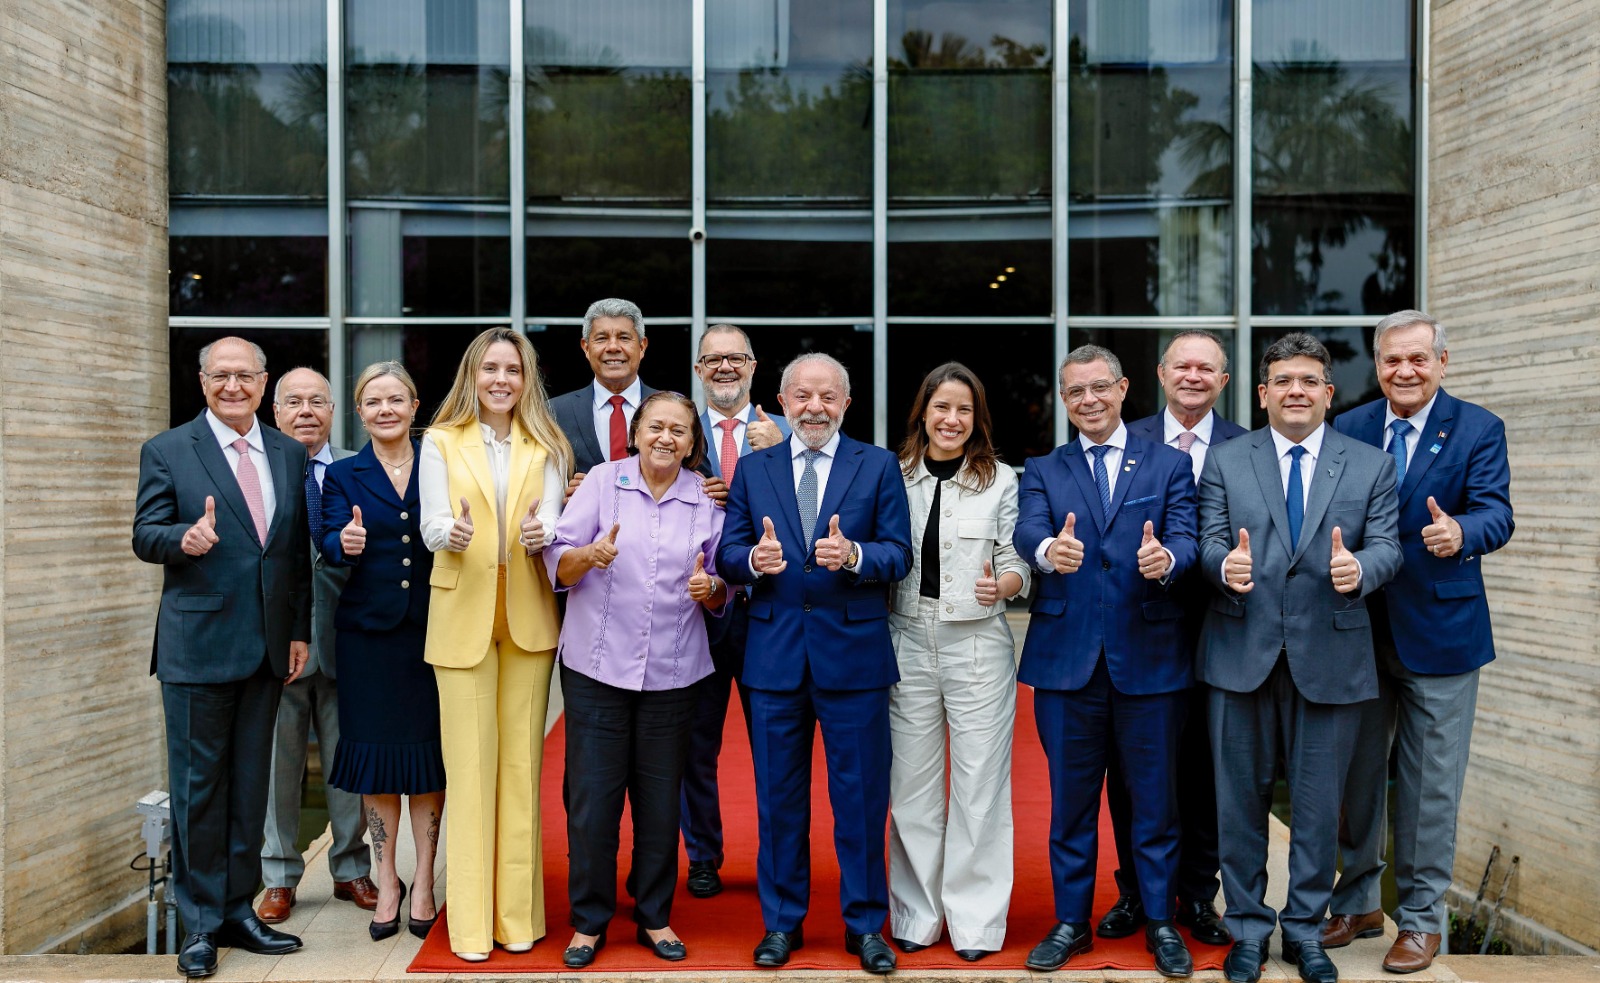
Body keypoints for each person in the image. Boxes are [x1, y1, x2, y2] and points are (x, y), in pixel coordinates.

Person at [1196, 332, 1402, 983]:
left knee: (1316, 809)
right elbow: (1206, 539)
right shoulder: (1226, 460)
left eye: (1309, 380)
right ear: (1262, 393)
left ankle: (1306, 931)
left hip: (1331, 657)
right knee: (1238, 807)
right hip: (1239, 656)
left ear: (1328, 393)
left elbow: (1389, 547)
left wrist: (1360, 568)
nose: (1296, 391)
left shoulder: (1370, 465)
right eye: (1283, 380)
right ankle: (1248, 929)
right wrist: (1221, 565)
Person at [1325, 311, 1514, 974]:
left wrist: (1462, 532)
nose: (1404, 370)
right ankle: (1356, 902)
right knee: (1356, 777)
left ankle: (1421, 918)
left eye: (1417, 358)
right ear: (1377, 364)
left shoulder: (1478, 428)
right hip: (1357, 631)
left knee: (1430, 787)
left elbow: (1497, 512)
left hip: (1442, 635)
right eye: (1392, 360)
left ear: (1442, 362)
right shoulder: (1348, 426)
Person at [718, 353, 913, 975]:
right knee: (778, 801)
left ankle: (866, 926)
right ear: (782, 402)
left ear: (846, 403)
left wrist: (855, 555)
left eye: (828, 396)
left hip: (854, 659)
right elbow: (727, 551)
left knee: (861, 800)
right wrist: (753, 562)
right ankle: (782, 923)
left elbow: (899, 554)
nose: (815, 408)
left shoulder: (877, 465)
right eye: (802, 396)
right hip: (774, 658)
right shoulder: (755, 469)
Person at [1013, 345, 1199, 978]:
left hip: (1151, 659)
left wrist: (1167, 560)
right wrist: (1047, 550)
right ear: (1064, 400)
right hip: (1067, 664)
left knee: (1155, 805)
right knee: (1070, 806)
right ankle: (1072, 922)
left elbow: (1187, 535)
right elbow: (1027, 529)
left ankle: (1161, 921)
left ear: (1123, 389)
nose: (1088, 400)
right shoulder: (1043, 467)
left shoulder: (1170, 463)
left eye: (1099, 387)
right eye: (1075, 392)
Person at [132, 337, 312, 978]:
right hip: (198, 648)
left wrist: (297, 630)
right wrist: (182, 537)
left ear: (263, 383)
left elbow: (292, 553)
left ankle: (238, 910)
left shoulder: (288, 452)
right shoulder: (168, 449)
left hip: (266, 648)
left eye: (244, 376)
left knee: (248, 787)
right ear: (203, 380)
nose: (233, 386)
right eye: (220, 375)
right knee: (198, 791)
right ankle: (201, 925)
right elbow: (144, 534)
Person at [546, 391, 731, 968]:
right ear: (636, 432)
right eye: (655, 426)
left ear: (693, 444)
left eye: (679, 430)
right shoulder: (602, 482)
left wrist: (712, 590)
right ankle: (589, 921)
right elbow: (556, 558)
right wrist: (589, 556)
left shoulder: (704, 499)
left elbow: (723, 583)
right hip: (597, 667)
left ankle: (653, 914)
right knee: (593, 800)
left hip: (674, 671)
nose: (665, 438)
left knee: (658, 801)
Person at [420, 328, 570, 961]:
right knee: (470, 773)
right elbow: (431, 521)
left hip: (528, 614)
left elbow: (554, 521)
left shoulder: (548, 444)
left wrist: (543, 533)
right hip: (462, 614)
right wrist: (449, 534)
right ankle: (471, 925)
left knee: (520, 771)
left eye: (512, 369)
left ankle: (517, 917)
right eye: (490, 369)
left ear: (526, 378)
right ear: (472, 376)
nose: (501, 379)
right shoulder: (440, 440)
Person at [1101, 331, 1245, 948]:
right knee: (1130, 771)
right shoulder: (1122, 438)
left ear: (1224, 381)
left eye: (1206, 368)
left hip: (1222, 630)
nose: (1193, 376)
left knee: (1204, 767)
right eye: (1181, 366)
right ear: (1160, 374)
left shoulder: (1248, 446)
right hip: (1137, 634)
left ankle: (1198, 893)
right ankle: (1135, 890)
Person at [886, 363, 1030, 962]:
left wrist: (1007, 585)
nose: (952, 419)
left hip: (977, 644)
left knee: (979, 787)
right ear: (922, 412)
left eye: (964, 410)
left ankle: (975, 924)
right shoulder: (893, 474)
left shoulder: (1000, 480)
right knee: (912, 787)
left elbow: (1016, 557)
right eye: (941, 407)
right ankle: (916, 916)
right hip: (906, 639)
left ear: (978, 418)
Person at [320, 362, 446, 941]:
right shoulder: (343, 474)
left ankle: (423, 881)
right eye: (373, 401)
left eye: (396, 399)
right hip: (367, 639)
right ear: (360, 412)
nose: (385, 409)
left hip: (432, 632)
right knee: (376, 762)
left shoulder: (440, 462)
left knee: (426, 760)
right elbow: (326, 535)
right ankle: (386, 879)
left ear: (415, 406)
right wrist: (341, 542)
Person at [258, 368, 378, 925]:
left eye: (317, 401)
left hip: (347, 640)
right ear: (275, 412)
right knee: (278, 769)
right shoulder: (258, 471)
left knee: (346, 764)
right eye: (293, 402)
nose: (305, 411)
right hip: (276, 645)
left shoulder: (358, 469)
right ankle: (279, 877)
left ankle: (351, 868)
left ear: (334, 410)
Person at [680, 323, 789, 899]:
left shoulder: (788, 433)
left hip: (768, 613)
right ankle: (703, 854)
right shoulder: (676, 430)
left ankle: (778, 858)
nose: (725, 367)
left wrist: (778, 462)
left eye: (736, 358)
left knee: (775, 747)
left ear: (753, 367)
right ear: (699, 369)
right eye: (713, 359)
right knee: (695, 747)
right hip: (697, 613)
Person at [549, 297, 659, 496]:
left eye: (624, 338)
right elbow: (538, 483)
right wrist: (561, 493)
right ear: (586, 347)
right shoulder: (554, 413)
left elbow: (698, 480)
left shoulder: (675, 409)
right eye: (601, 338)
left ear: (642, 346)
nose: (613, 347)